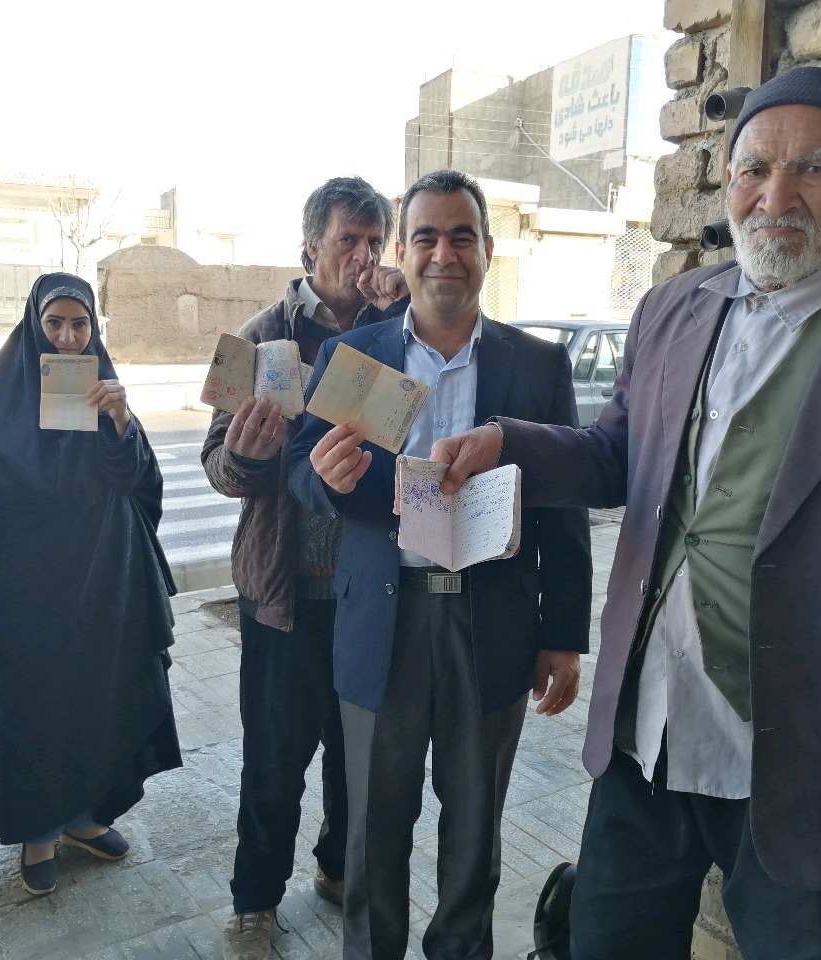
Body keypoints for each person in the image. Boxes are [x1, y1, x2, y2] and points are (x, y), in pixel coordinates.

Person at [431, 66, 821, 960]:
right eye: (754, 170)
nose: (775, 198)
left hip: (811, 766)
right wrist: (509, 443)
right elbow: (619, 456)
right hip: (646, 737)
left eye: (812, 170)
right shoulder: (672, 308)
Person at [288, 170, 592, 960]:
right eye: (425, 237)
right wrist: (320, 478)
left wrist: (563, 633)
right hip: (382, 620)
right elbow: (300, 471)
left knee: (475, 829)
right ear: (402, 251)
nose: (443, 254)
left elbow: (564, 505)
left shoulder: (537, 365)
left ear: (488, 249)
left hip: (492, 623)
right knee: (373, 828)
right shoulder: (358, 357)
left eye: (461, 236)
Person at [203, 175, 407, 960]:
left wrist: (397, 313)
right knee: (274, 760)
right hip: (283, 593)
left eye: (375, 242)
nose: (364, 257)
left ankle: (336, 867)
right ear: (311, 247)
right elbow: (217, 465)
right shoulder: (260, 339)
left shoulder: (396, 329)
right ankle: (254, 904)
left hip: (369, 588)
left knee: (358, 756)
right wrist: (247, 458)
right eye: (348, 240)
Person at [0, 272, 181, 896]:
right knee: (39, 702)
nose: (67, 337)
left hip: (106, 577)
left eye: (80, 324)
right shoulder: (3, 393)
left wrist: (119, 419)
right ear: (35, 324)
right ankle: (39, 828)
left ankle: (85, 814)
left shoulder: (104, 386)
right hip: (30, 584)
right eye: (55, 323)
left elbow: (137, 482)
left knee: (99, 694)